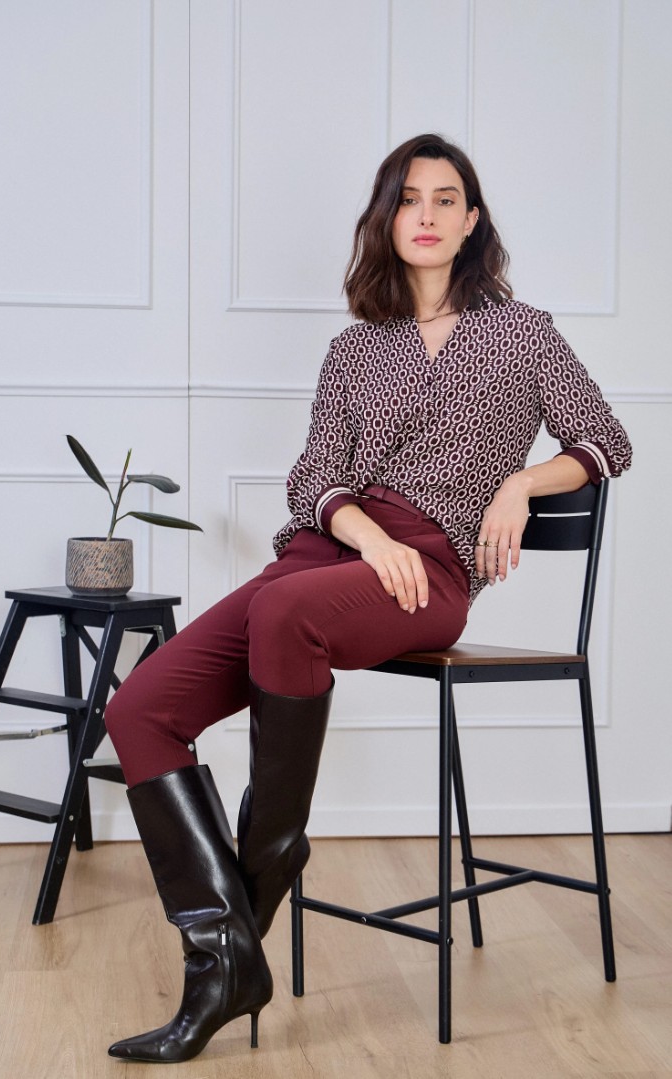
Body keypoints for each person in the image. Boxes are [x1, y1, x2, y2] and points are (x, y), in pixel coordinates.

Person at [104, 133, 632, 1063]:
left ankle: (243, 915)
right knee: (137, 706)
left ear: (471, 221)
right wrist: (365, 534)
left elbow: (605, 440)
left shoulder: (522, 333)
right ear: (386, 220)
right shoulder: (353, 349)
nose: (425, 215)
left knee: (283, 612)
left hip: (430, 572)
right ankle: (227, 948)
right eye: (408, 200)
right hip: (331, 556)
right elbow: (314, 476)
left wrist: (518, 483)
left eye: (445, 199)